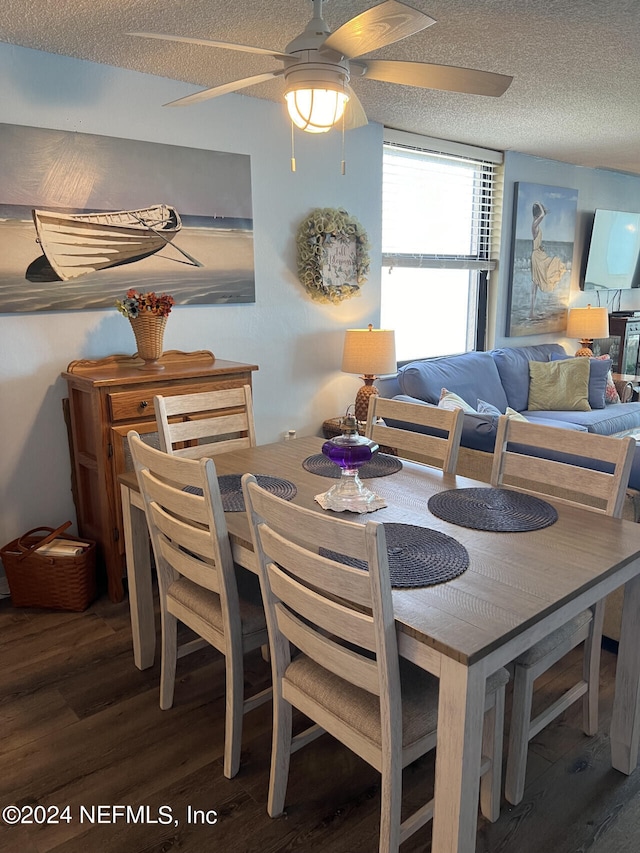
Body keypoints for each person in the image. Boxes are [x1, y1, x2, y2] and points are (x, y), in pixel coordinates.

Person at [530, 201, 567, 317]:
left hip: (539, 253)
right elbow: (542, 215)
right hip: (537, 256)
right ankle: (531, 311)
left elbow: (537, 241)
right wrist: (539, 204)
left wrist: (540, 246)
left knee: (535, 283)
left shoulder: (536, 226)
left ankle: (531, 311)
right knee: (536, 281)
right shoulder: (534, 225)